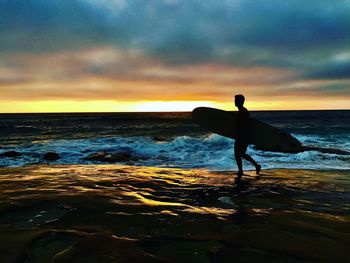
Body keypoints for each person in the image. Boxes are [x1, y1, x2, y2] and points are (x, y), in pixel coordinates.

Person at [234, 94, 261, 180]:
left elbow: (245, 125)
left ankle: (256, 165)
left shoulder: (243, 112)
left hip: (242, 136)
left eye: (236, 100)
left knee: (240, 154)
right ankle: (241, 170)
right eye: (235, 100)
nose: (234, 102)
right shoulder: (241, 111)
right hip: (240, 136)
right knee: (238, 154)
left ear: (240, 101)